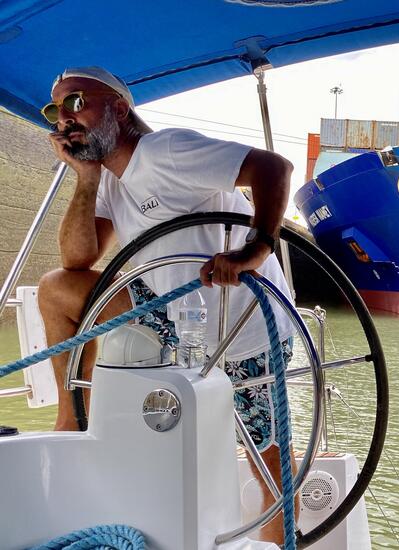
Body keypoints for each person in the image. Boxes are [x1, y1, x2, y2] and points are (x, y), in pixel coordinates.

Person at [37, 67, 297, 544]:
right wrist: (86, 177)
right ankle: (75, 418)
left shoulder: (165, 152)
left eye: (76, 102)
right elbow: (78, 257)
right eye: (56, 110)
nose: (64, 119)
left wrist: (255, 250)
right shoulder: (111, 178)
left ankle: (281, 539)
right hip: (171, 312)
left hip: (241, 326)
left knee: (271, 471)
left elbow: (273, 167)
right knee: (59, 289)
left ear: (118, 108)